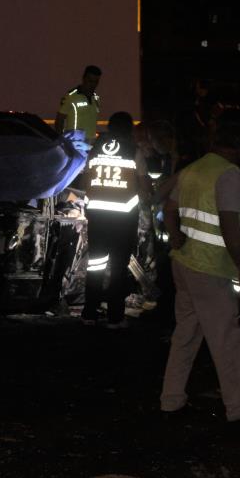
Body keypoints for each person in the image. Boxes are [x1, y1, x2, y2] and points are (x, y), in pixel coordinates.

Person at [160, 117, 240, 422]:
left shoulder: (194, 169)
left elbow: (168, 207)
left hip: (184, 264)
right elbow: (229, 223)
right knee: (226, 340)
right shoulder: (228, 174)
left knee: (185, 335)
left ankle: (171, 399)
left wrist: (175, 238)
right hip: (211, 269)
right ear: (239, 145)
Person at [81, 112, 141, 328]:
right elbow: (143, 184)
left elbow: (86, 178)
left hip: (97, 216)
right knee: (118, 268)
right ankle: (115, 317)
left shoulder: (95, 150)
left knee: (95, 265)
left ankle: (89, 313)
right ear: (128, 130)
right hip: (123, 219)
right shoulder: (134, 151)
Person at [55, 65, 102, 147]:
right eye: (90, 81)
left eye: (96, 82)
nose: (93, 84)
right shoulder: (71, 97)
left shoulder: (96, 98)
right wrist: (61, 141)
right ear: (84, 79)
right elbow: (59, 120)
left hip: (90, 143)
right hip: (74, 143)